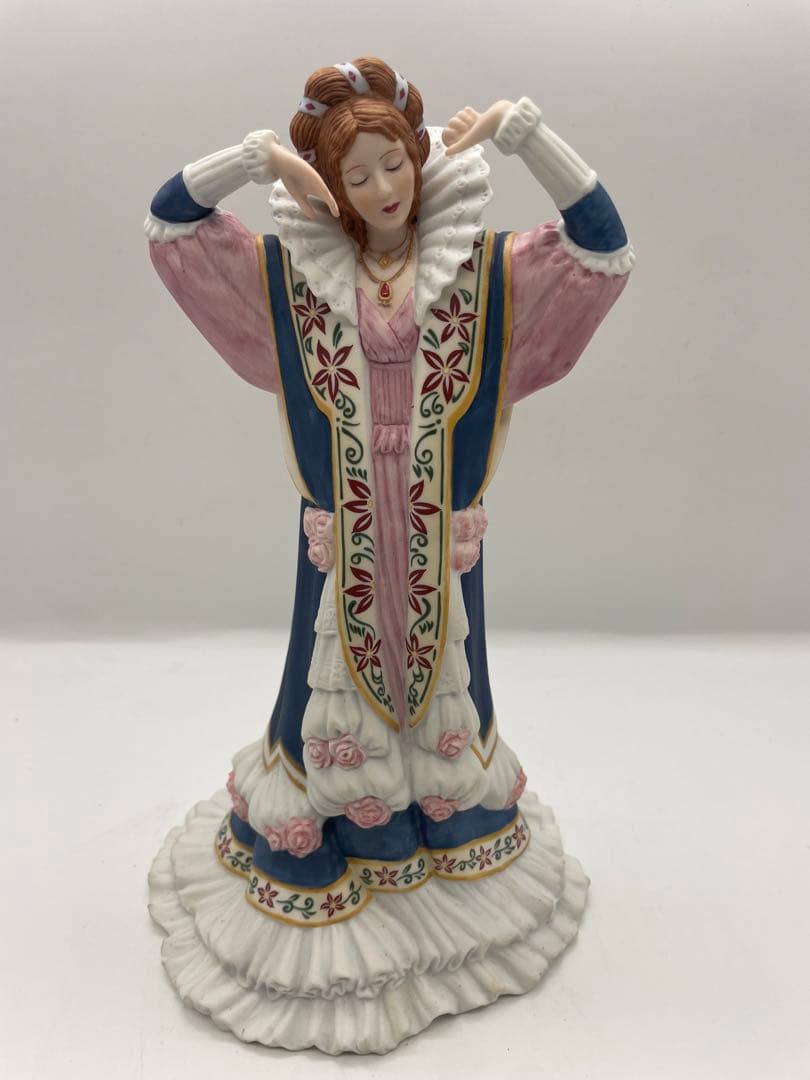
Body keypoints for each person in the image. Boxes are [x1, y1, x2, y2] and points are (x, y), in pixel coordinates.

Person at [146, 57, 634, 1054]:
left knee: (452, 681)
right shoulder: (295, 277)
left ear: (419, 159)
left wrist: (523, 132)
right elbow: (171, 224)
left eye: (394, 163)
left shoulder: (482, 270)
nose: (383, 189)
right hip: (346, 540)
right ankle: (342, 828)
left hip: (439, 536)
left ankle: (445, 820)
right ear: (331, 187)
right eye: (356, 174)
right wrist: (255, 159)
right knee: (327, 684)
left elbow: (603, 247)